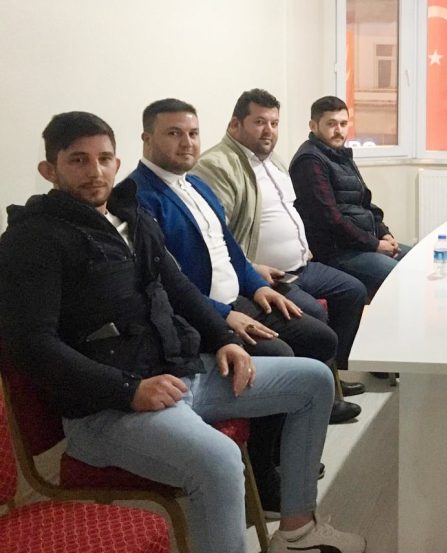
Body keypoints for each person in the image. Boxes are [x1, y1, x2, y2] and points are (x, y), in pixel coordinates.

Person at [0, 111, 366, 553]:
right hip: (108, 410)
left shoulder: (130, 218)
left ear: (117, 163)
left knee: (314, 380)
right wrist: (130, 390)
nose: (94, 171)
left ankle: (297, 532)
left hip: (180, 374)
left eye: (104, 159)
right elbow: (32, 346)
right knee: (220, 460)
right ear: (49, 170)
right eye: (78, 160)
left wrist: (225, 340)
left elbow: (179, 289)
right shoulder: (33, 241)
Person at [122, 98, 360, 422]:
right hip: (198, 314)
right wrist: (223, 315)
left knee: (320, 338)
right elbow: (163, 283)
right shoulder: (136, 197)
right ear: (147, 139)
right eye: (174, 133)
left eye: (193, 133)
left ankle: (299, 422)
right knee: (280, 355)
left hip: (239, 298)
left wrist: (259, 287)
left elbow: (230, 250)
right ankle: (269, 449)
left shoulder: (195, 184)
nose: (187, 142)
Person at [184, 91, 368, 398]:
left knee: (353, 291)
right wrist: (252, 269)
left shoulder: (273, 161)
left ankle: (333, 376)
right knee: (312, 314)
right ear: (235, 125)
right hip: (267, 275)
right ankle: (322, 393)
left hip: (302, 265)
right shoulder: (217, 166)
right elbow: (218, 235)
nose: (268, 130)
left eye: (274, 123)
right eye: (259, 122)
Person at [285, 95, 407, 297]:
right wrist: (375, 245)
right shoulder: (310, 160)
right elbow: (331, 219)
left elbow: (364, 202)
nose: (339, 130)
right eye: (331, 124)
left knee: (419, 261)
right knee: (401, 276)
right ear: (313, 126)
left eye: (343, 124)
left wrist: (384, 233)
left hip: (361, 243)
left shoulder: (340, 154)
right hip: (336, 252)